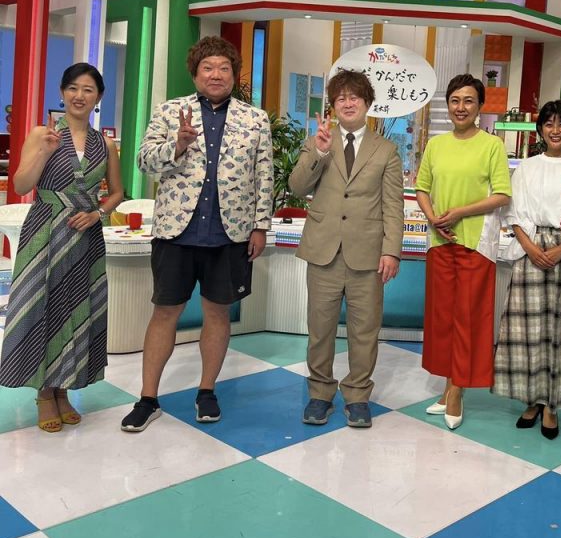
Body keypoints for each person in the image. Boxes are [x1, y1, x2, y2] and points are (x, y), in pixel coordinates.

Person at [120, 36, 273, 432]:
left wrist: (260, 225)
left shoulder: (255, 119)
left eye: (224, 67)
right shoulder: (170, 111)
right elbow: (144, 162)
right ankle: (148, 398)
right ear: (195, 73)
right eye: (208, 67)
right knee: (164, 312)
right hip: (176, 231)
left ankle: (207, 391)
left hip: (231, 234)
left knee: (218, 313)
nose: (216, 74)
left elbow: (264, 176)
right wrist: (177, 145)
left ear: (234, 74)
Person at [0, 64, 124, 431]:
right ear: (62, 92)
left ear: (98, 97)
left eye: (88, 89)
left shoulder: (106, 145)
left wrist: (99, 213)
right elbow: (21, 185)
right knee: (41, 307)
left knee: (76, 309)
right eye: (72, 88)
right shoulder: (42, 134)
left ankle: (64, 389)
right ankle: (44, 394)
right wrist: (43, 152)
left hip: (86, 236)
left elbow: (117, 192)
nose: (79, 95)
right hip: (45, 231)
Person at [289, 69, 403, 429]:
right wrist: (320, 152)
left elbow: (393, 205)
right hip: (323, 250)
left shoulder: (386, 150)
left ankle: (357, 396)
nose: (348, 103)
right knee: (320, 328)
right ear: (333, 106)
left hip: (367, 254)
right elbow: (296, 187)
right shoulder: (318, 141)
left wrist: (391, 250)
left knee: (365, 330)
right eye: (341, 98)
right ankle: (320, 394)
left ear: (367, 103)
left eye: (355, 97)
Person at [493, 100, 561, 439]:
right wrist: (531, 247)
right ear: (540, 129)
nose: (555, 130)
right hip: (531, 249)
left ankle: (553, 405)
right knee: (529, 331)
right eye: (549, 123)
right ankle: (533, 398)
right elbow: (513, 213)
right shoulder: (526, 167)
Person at [415, 74, 511, 429]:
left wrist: (458, 213)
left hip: (476, 243)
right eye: (455, 100)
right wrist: (434, 218)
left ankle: (456, 391)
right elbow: (422, 188)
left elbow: (502, 195)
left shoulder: (492, 145)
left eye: (469, 100)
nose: (461, 107)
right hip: (440, 241)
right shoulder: (436, 145)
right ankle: (448, 385)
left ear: (480, 106)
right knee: (442, 317)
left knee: (469, 318)